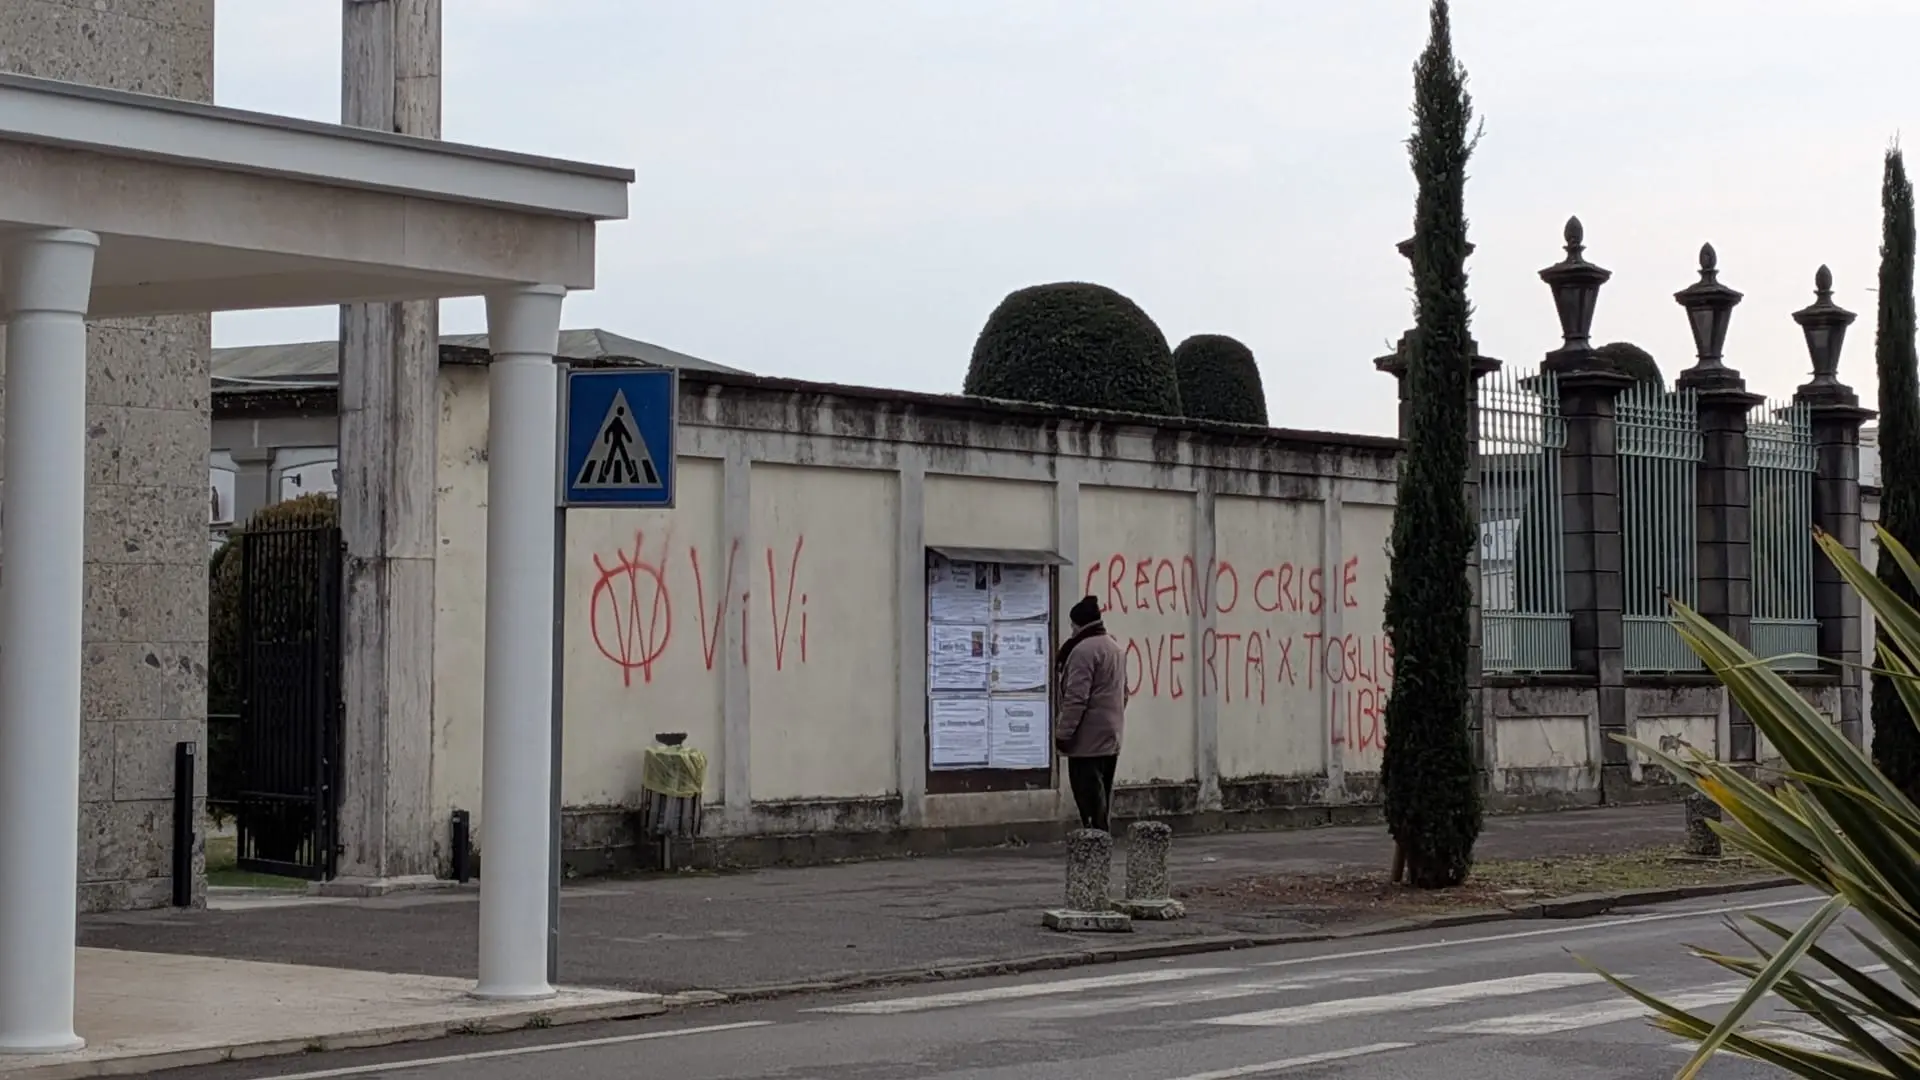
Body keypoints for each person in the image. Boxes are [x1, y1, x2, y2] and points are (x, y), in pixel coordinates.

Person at [1054, 595, 1126, 833]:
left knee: (1088, 798)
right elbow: (1124, 692)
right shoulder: (1114, 647)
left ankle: (1094, 849)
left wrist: (1063, 735)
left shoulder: (1083, 652)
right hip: (1110, 736)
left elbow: (1076, 699)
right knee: (1102, 795)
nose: (1071, 630)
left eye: (1072, 624)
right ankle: (1100, 842)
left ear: (1079, 624)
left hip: (1087, 741)